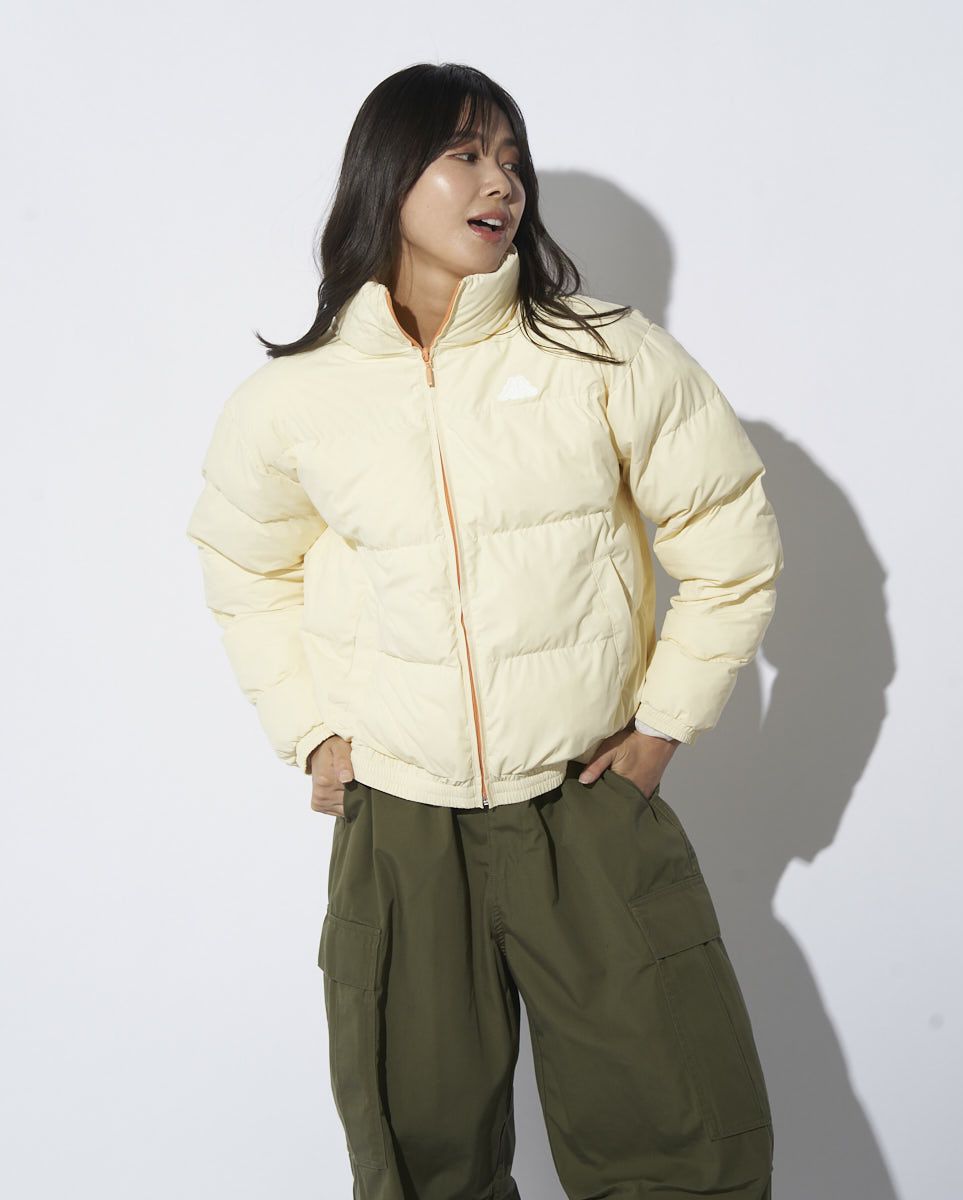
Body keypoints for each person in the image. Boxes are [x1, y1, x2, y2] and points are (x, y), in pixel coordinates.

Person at [186, 62, 782, 1200]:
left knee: (676, 1143)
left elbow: (730, 544)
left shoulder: (604, 354)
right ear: (387, 176)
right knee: (420, 1160)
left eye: (510, 158)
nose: (497, 181)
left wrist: (661, 729)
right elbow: (243, 569)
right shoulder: (297, 397)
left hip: (583, 806)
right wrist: (311, 731)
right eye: (463, 154)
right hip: (401, 823)